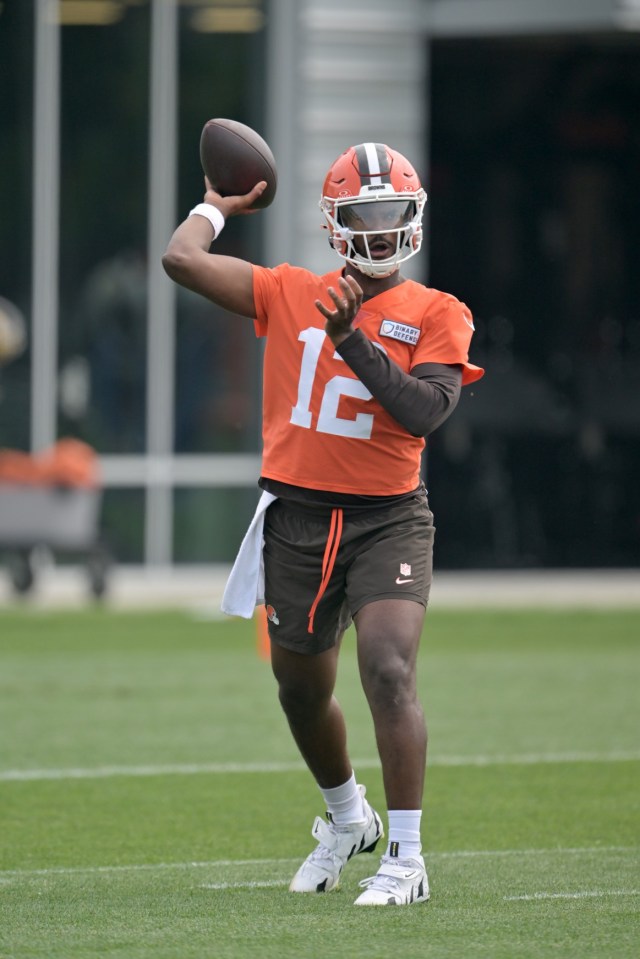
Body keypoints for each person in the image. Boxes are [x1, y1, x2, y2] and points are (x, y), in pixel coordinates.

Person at [163, 142, 483, 906]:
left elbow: (424, 413)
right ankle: (348, 817)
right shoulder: (288, 288)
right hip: (298, 516)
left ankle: (405, 855)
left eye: (391, 213)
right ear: (336, 226)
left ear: (413, 217)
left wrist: (351, 340)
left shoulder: (438, 311)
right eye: (363, 216)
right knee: (299, 688)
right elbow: (181, 259)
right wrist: (219, 202)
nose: (378, 230)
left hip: (387, 520)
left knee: (388, 667)